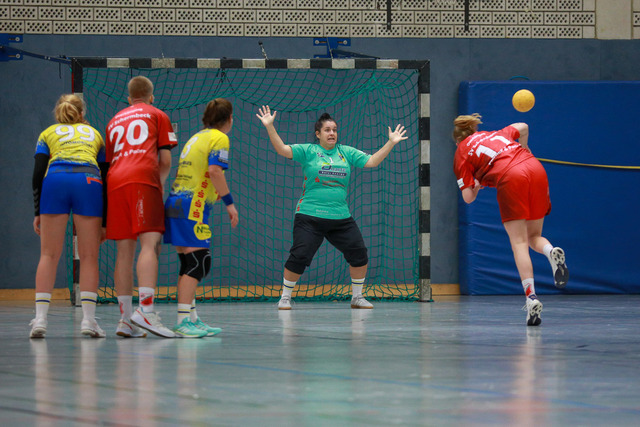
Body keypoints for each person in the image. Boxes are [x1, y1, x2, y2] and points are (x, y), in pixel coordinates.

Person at [256, 105, 408, 310]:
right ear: (318, 134)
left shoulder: (345, 152)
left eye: (334, 130)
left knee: (359, 254)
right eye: (327, 130)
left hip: (340, 217)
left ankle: (357, 297)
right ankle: (284, 298)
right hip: (309, 216)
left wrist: (391, 142)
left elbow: (372, 161)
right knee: (300, 256)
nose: (332, 133)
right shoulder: (309, 151)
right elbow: (282, 149)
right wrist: (269, 126)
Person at [452, 113, 569, 326]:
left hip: (511, 176)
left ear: (458, 140)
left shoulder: (461, 152)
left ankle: (531, 297)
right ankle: (551, 251)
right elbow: (523, 126)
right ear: (473, 130)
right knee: (534, 236)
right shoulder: (495, 134)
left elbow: (468, 198)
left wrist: (476, 184)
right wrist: (524, 147)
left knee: (519, 243)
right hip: (535, 168)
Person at [105, 76, 177, 338]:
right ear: (151, 96)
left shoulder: (114, 121)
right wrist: (159, 184)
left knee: (124, 251)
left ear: (128, 98)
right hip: (143, 178)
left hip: (115, 182)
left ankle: (125, 320)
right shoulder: (158, 114)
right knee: (149, 244)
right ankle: (146, 310)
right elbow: (165, 160)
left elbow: (110, 159)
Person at [31, 94, 107, 338]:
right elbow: (106, 175)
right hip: (88, 180)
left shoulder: (47, 133)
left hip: (55, 181)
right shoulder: (95, 134)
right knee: (89, 256)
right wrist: (104, 221)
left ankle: (40, 320)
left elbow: (38, 173)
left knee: (48, 254)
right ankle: (88, 320)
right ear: (82, 113)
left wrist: (37, 212)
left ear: (59, 112)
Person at [164, 98, 239, 338]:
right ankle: (182, 321)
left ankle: (191, 319)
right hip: (190, 206)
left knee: (189, 263)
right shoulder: (220, 138)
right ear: (229, 119)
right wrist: (229, 203)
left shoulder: (197, 137)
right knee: (199, 262)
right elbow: (214, 171)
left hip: (177, 201)